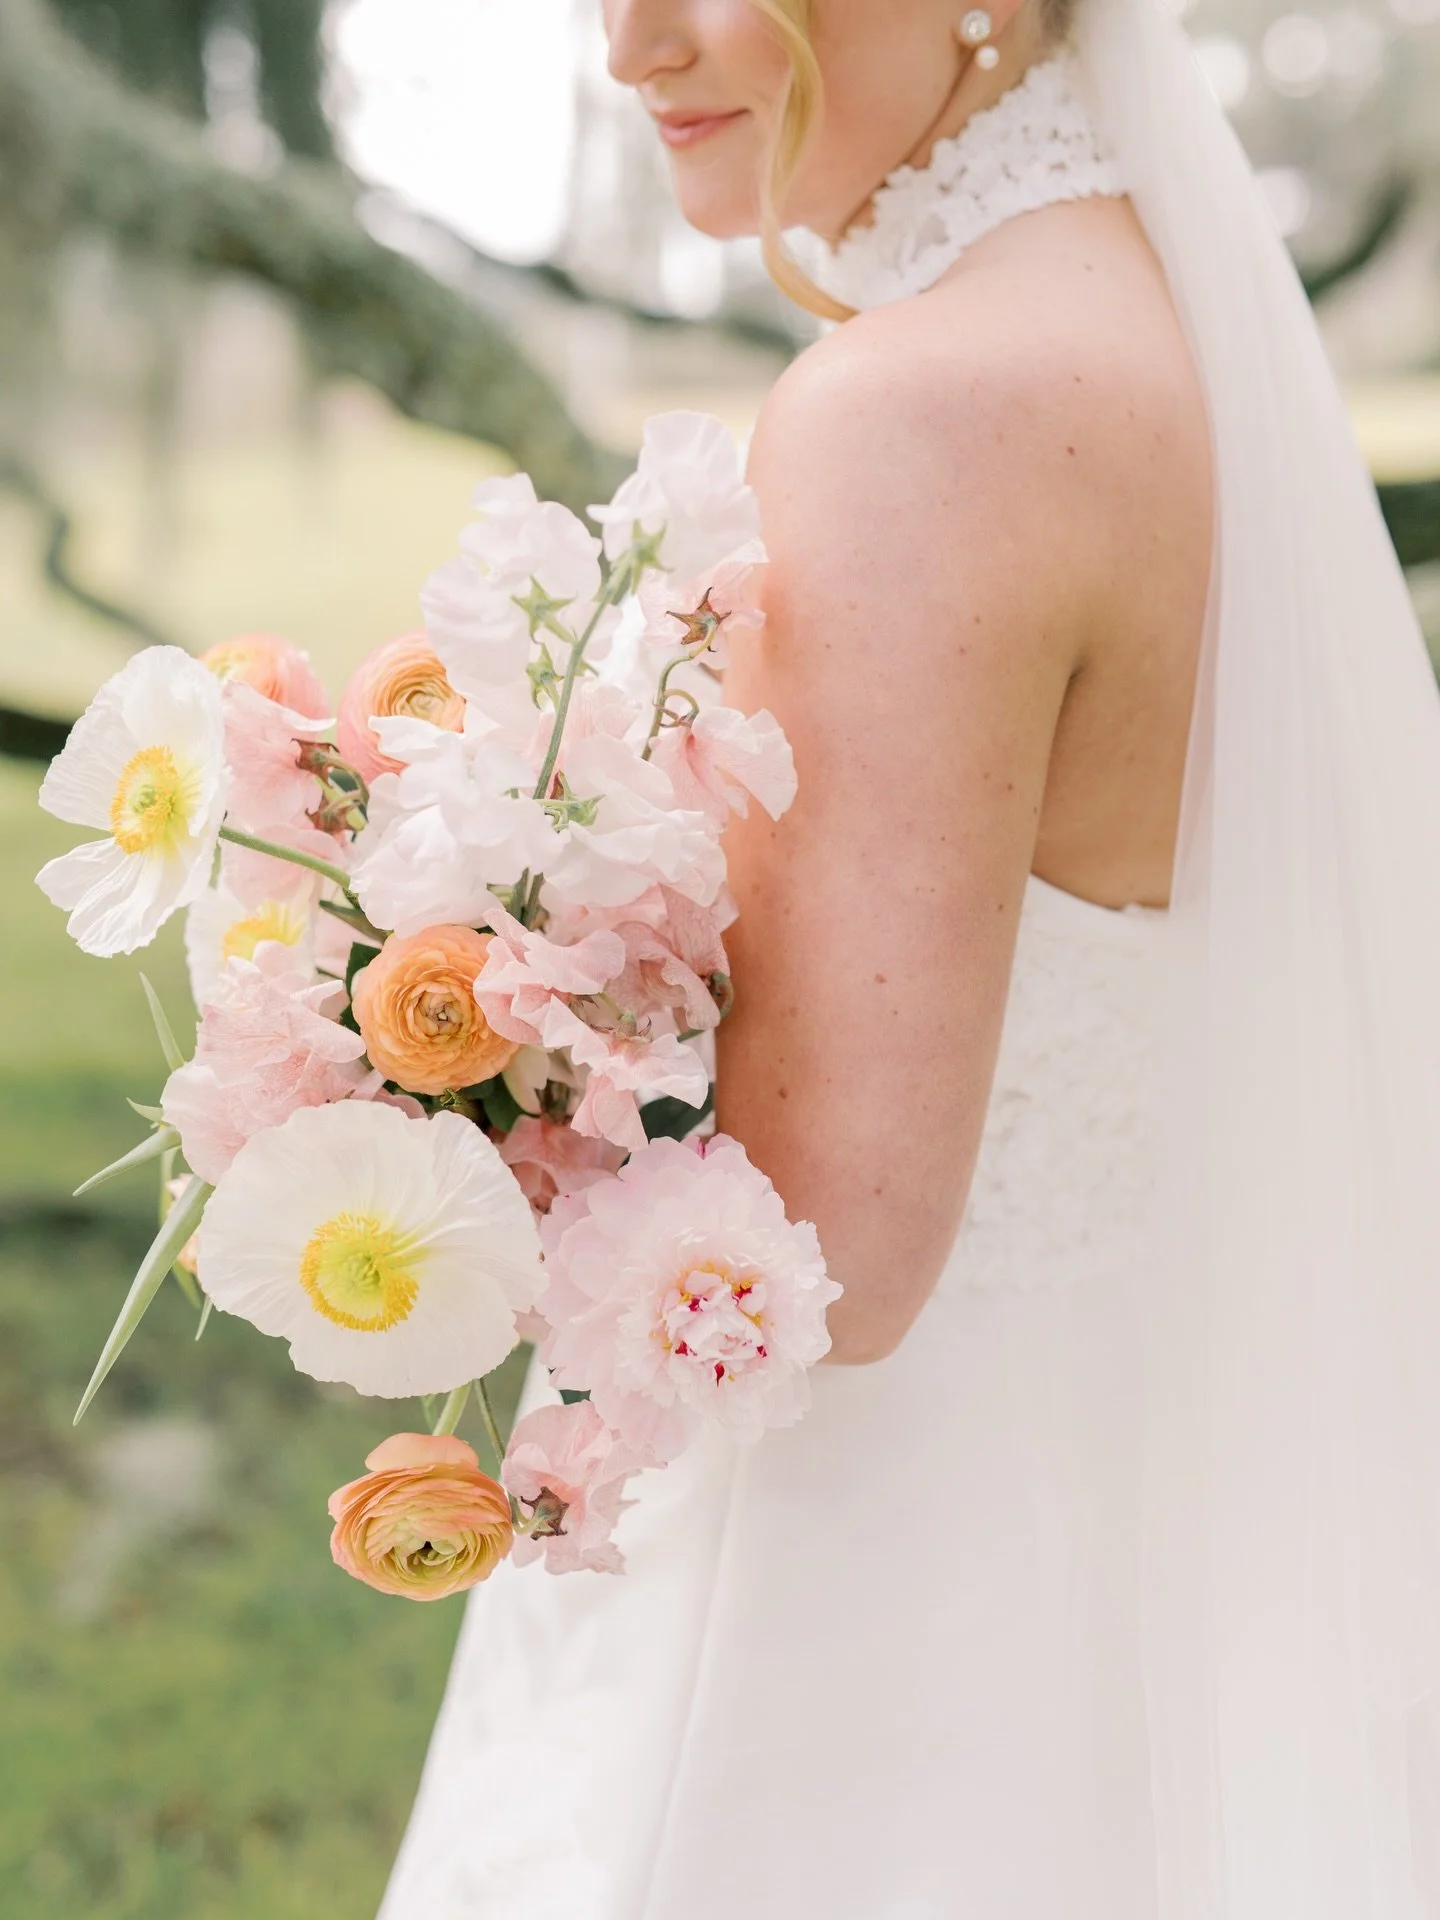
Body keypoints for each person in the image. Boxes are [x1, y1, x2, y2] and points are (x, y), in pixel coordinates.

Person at [382, 3, 1440, 1915]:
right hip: (1138, 1535)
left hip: (867, 1627)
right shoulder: (1161, 337)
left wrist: (411, 1074)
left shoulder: (921, 414)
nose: (631, 43)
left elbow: (831, 1256)